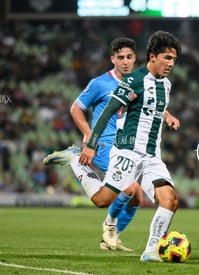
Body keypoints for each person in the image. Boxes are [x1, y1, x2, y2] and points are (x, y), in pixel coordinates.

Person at [78, 30, 182, 262]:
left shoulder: (166, 85)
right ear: (152, 56)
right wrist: (91, 145)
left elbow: (152, 107)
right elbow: (107, 111)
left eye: (174, 59)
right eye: (167, 57)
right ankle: (78, 165)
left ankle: (151, 251)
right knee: (102, 201)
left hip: (152, 157)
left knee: (171, 200)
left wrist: (168, 116)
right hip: (127, 152)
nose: (171, 63)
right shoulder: (134, 80)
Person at [44, 37, 142, 251]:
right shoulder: (100, 83)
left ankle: (110, 237)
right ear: (112, 59)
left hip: (127, 147)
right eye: (120, 58)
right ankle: (75, 159)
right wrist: (88, 134)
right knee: (129, 187)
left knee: (135, 196)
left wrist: (167, 115)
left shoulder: (139, 82)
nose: (125, 62)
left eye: (129, 57)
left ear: (135, 58)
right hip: (104, 144)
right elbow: (76, 108)